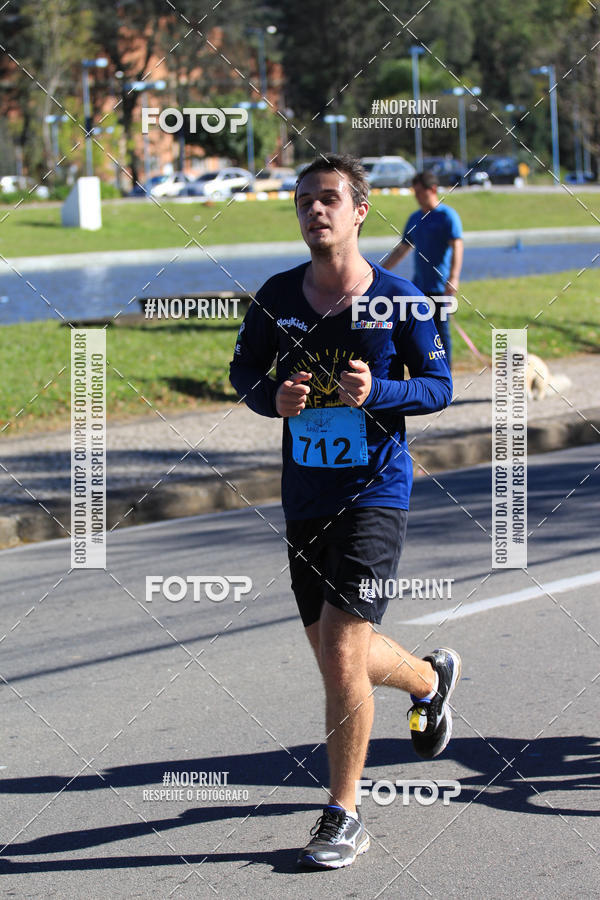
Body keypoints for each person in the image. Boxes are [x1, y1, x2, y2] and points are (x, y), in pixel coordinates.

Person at [229, 154, 461, 870]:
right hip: (305, 498)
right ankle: (429, 681)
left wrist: (379, 393)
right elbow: (243, 371)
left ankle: (343, 812)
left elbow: (439, 386)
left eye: (329, 198)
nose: (315, 210)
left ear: (359, 211)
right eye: (304, 200)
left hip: (375, 494)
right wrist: (272, 398)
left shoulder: (399, 299)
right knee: (340, 654)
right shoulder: (276, 296)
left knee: (339, 654)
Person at [382, 170, 463, 368]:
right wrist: (380, 271)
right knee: (414, 332)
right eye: (415, 192)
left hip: (440, 287)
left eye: (420, 192)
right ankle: (422, 372)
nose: (417, 197)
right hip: (418, 288)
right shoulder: (415, 219)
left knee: (440, 333)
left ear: (432, 189)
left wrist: (453, 277)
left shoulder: (447, 216)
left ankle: (445, 375)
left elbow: (457, 246)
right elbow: (402, 249)